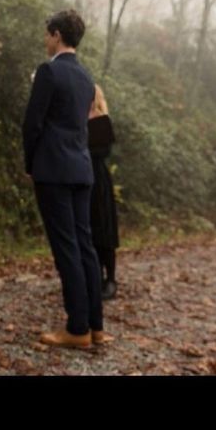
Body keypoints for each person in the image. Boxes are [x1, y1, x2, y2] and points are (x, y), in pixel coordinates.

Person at [23, 9, 113, 348]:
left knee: (67, 249)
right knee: (85, 246)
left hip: (54, 170)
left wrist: (30, 163)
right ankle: (96, 326)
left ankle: (77, 329)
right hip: (82, 169)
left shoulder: (49, 71)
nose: (45, 40)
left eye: (48, 34)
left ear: (57, 34)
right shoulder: (87, 77)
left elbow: (33, 124)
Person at [88, 85, 120, 300]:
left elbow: (103, 151)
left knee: (104, 227)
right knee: (89, 228)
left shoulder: (101, 119)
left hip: (98, 178)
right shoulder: (75, 118)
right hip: (83, 176)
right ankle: (95, 276)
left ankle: (111, 278)